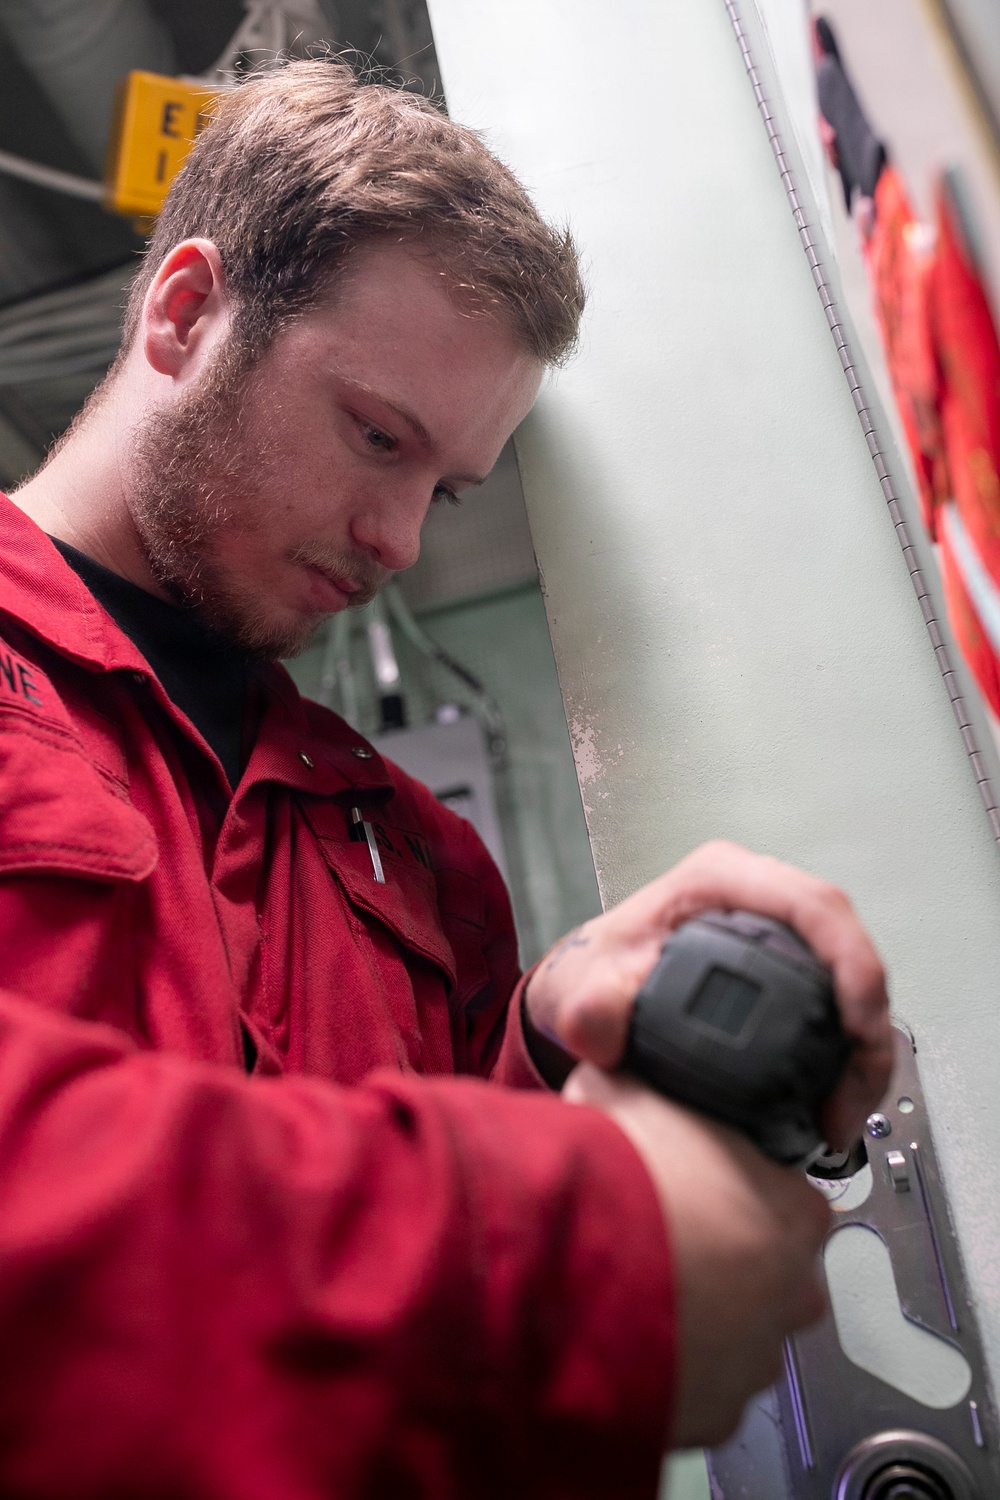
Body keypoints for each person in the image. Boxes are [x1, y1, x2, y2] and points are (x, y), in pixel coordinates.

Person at [0, 59, 892, 1499]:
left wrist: (551, 1036)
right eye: (377, 437)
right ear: (183, 315)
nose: (404, 539)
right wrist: (559, 1247)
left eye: (449, 489)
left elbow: (406, 1140)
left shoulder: (410, 855)